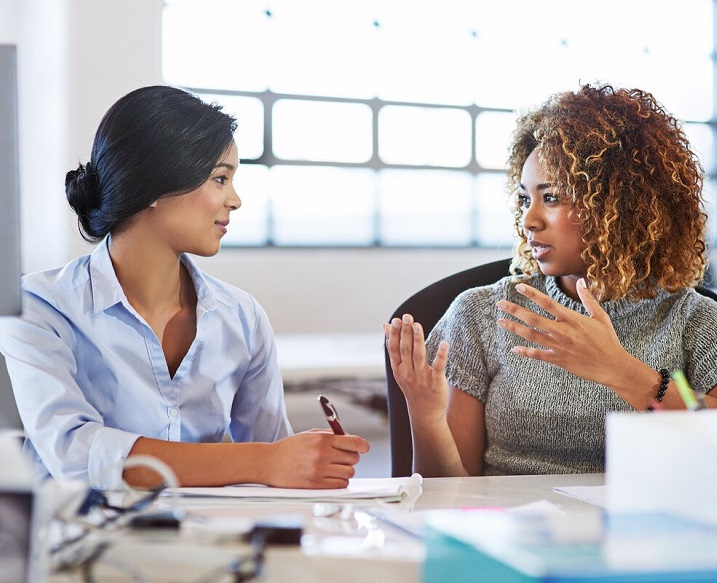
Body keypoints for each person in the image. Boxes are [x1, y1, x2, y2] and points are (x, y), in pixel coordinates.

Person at [0, 85, 369, 490]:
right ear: (155, 185)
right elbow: (74, 453)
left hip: (214, 546)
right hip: (83, 546)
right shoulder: (39, 307)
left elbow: (275, 465)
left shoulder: (241, 317)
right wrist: (263, 461)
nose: (235, 200)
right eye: (220, 178)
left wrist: (304, 462)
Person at [385, 83, 717, 478]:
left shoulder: (695, 322)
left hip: (644, 534)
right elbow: (453, 496)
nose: (529, 219)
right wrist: (425, 417)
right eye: (526, 198)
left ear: (620, 205)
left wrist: (621, 371)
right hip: (508, 535)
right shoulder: (483, 314)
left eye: (553, 197)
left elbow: (708, 451)